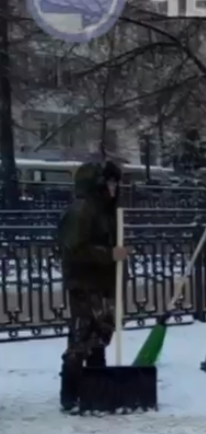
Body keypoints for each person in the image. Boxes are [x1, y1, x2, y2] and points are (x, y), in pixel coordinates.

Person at [58, 161, 129, 411]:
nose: (114, 187)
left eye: (115, 182)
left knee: (100, 334)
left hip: (102, 282)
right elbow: (74, 248)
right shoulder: (82, 210)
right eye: (109, 182)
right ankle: (72, 392)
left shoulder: (106, 210)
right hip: (85, 282)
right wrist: (109, 254)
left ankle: (96, 388)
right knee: (83, 335)